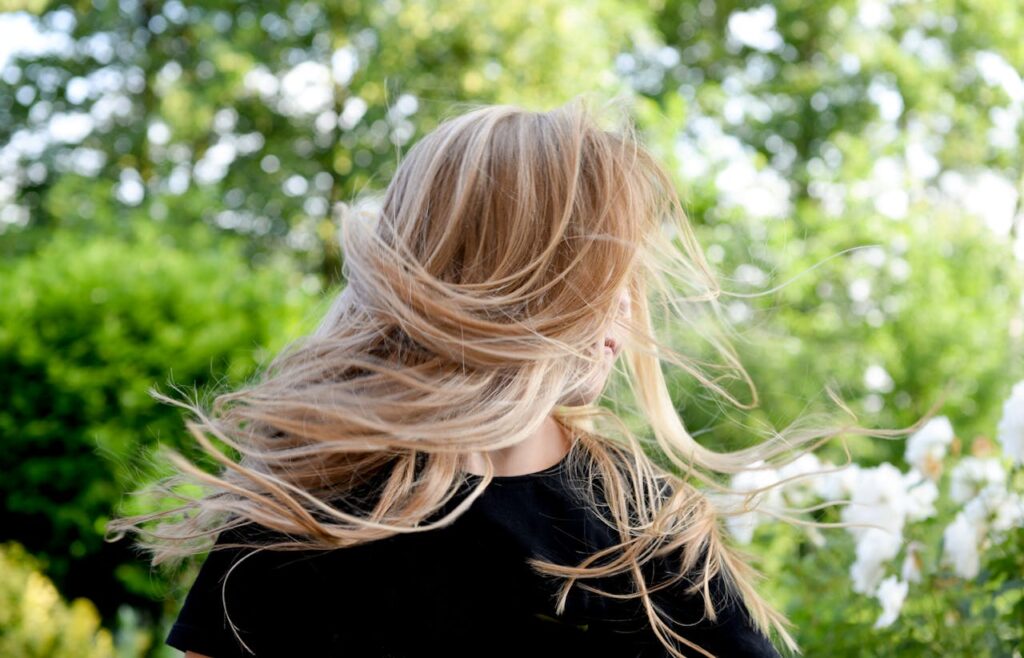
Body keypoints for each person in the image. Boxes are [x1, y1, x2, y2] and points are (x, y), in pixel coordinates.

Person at [107, 94, 908, 657]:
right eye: (601, 275)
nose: (626, 309)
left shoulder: (645, 523)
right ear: (511, 283)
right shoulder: (311, 502)